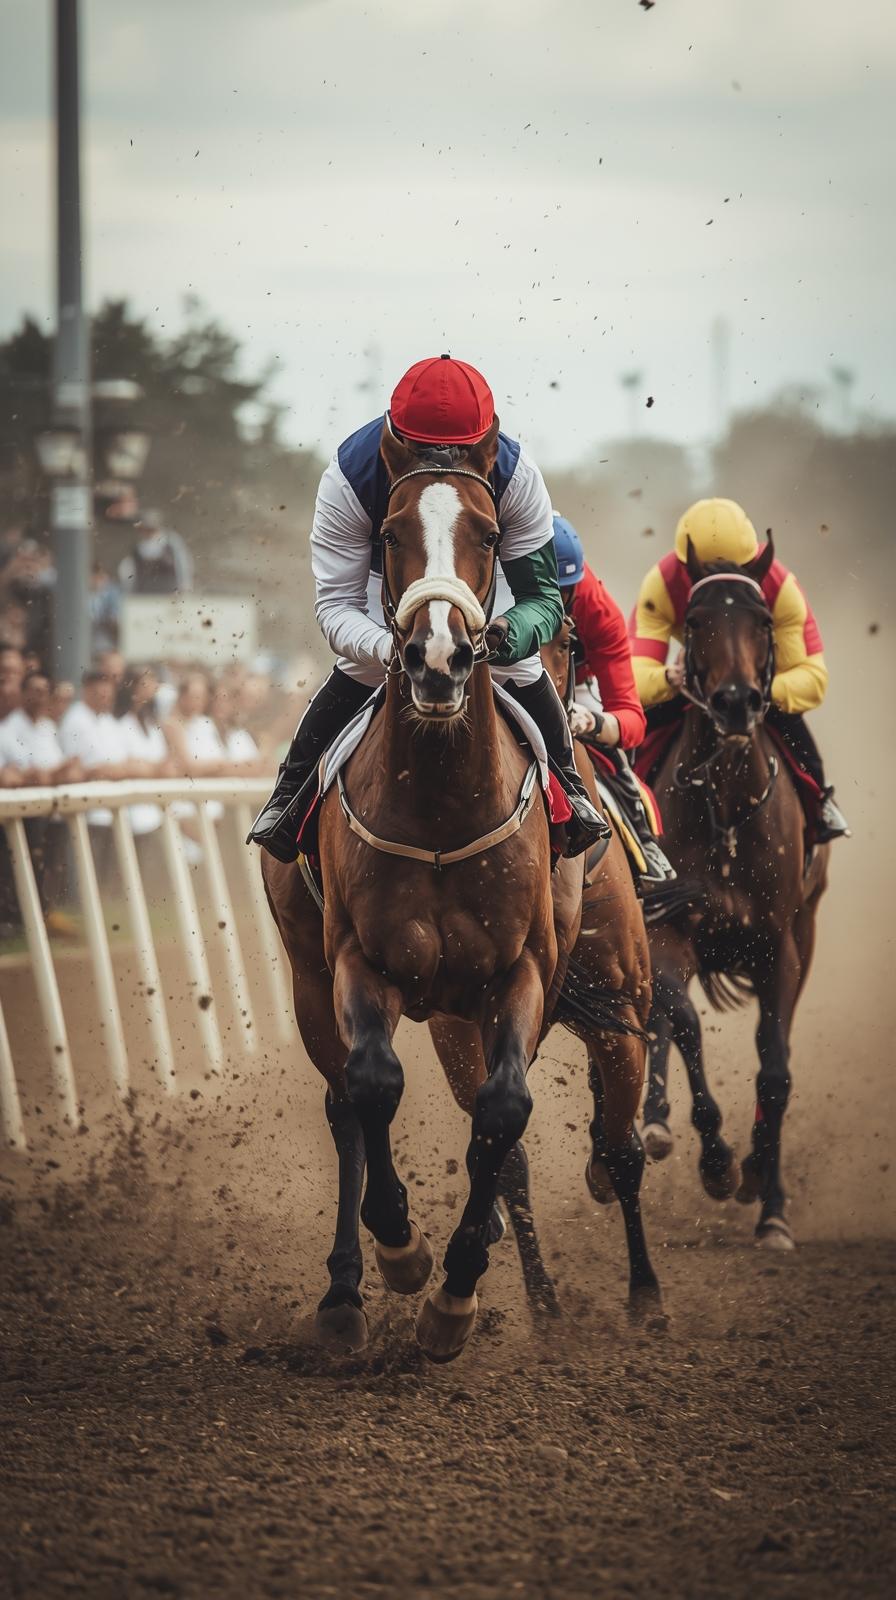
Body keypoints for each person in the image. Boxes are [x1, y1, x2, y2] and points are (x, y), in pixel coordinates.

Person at [248, 354, 605, 861]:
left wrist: (508, 633)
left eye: (459, 454)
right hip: (391, 577)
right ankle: (289, 797)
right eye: (423, 451)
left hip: (482, 576)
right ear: (396, 444)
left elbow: (542, 599)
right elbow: (336, 605)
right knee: (358, 665)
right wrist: (385, 647)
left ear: (486, 446)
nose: (442, 462)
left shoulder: (518, 476)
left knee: (522, 664)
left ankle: (570, 789)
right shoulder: (351, 477)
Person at [628, 497, 848, 841]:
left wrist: (761, 690)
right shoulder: (662, 582)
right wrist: (667, 679)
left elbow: (813, 678)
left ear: (754, 562)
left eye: (737, 567)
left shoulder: (780, 585)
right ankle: (625, 812)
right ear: (687, 565)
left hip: (756, 682)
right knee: (632, 738)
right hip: (697, 680)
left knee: (796, 733)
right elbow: (632, 680)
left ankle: (819, 804)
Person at [551, 515, 675, 890]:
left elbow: (632, 722)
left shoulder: (598, 610)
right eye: (546, 590)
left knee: (615, 762)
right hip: (499, 668)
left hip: (577, 686)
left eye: (563, 593)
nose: (554, 604)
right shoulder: (489, 575)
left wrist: (593, 723)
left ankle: (641, 843)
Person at [59, 670, 134, 876]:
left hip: (112, 807)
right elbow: (72, 768)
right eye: (102, 693)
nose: (107, 698)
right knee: (86, 874)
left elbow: (123, 759)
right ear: (88, 691)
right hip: (87, 810)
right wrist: (104, 770)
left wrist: (115, 769)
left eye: (109, 694)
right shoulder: (75, 719)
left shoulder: (107, 720)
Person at [116, 666, 176, 845]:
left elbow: (166, 764)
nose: (151, 687)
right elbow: (127, 765)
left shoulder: (151, 723)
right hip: (130, 814)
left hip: (154, 813)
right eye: (145, 683)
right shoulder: (121, 724)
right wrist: (155, 768)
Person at [117, 509, 194, 595]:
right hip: (145, 592)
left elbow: (182, 563)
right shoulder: (139, 547)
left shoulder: (171, 542)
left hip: (169, 590)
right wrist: (129, 590)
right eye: (145, 528)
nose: (147, 531)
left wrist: (185, 584)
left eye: (150, 528)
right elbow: (128, 569)